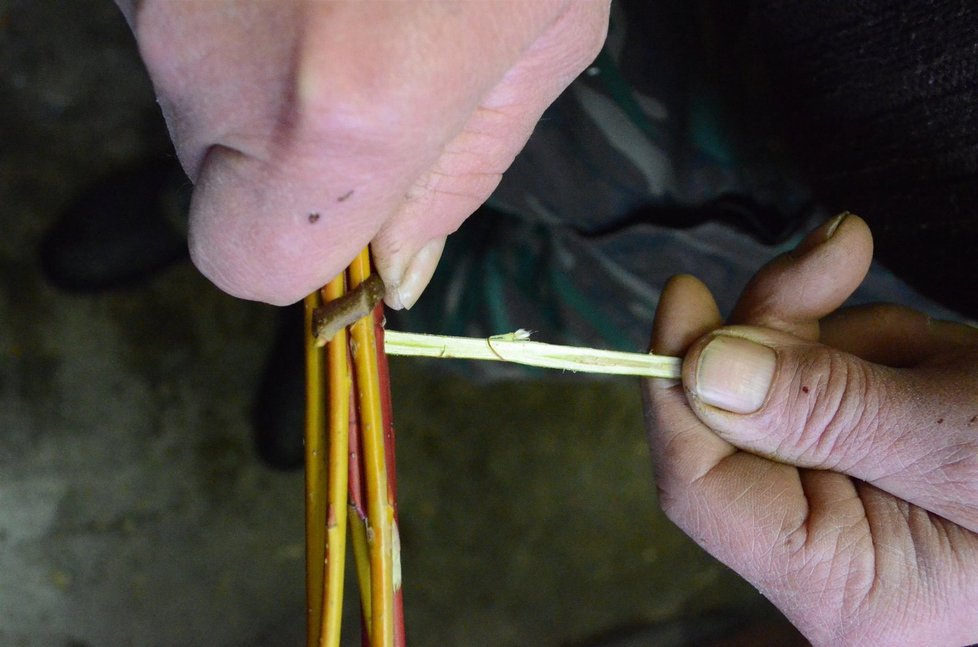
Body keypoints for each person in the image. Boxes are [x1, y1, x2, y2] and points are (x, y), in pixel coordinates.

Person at [115, 1, 978, 643]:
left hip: (917, 280)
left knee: (497, 304)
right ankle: (193, 198)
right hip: (719, 37)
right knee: (351, 134)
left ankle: (335, 341)